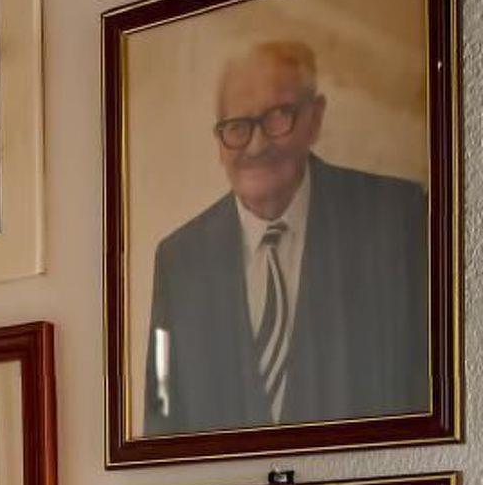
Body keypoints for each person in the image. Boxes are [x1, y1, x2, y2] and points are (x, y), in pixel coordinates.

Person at [142, 40, 429, 436]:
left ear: (315, 118)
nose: (257, 145)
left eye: (278, 116)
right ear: (220, 144)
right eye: (237, 126)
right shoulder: (179, 262)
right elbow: (162, 417)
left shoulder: (397, 218)